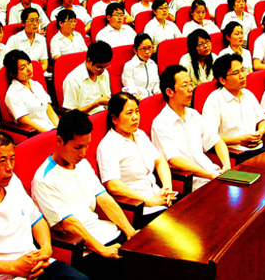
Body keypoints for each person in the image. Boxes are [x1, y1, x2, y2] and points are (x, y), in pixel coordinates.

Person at [0, 132, 90, 280]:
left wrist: (46, 249)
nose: (9, 167)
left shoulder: (13, 182)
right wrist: (13, 266)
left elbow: (37, 220)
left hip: (38, 266)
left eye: (12, 159)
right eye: (1, 161)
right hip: (6, 275)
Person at [32, 112, 136, 278]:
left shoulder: (83, 164)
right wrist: (102, 250)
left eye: (87, 146)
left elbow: (104, 199)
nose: (83, 153)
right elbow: (69, 224)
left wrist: (129, 231)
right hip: (85, 248)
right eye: (77, 147)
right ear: (59, 141)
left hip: (107, 233)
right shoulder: (44, 179)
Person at [98, 93, 177, 228]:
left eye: (137, 111)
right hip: (140, 209)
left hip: (160, 197)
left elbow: (160, 161)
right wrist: (149, 201)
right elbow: (113, 185)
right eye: (129, 113)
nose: (135, 117)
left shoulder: (139, 134)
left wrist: (167, 188)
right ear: (114, 119)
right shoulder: (108, 146)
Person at [151, 65, 230, 189]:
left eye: (191, 84)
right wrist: (209, 175)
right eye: (184, 85)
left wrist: (226, 165)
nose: (191, 89)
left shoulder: (193, 114)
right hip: (192, 182)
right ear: (169, 92)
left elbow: (216, 141)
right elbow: (174, 160)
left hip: (213, 174)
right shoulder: (161, 123)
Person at [202, 53, 265, 156]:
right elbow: (209, 137)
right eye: (236, 73)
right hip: (235, 153)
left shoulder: (247, 94)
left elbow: (263, 120)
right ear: (222, 80)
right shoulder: (214, 101)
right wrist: (239, 140)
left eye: (243, 70)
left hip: (257, 148)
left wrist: (260, 132)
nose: (242, 76)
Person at [2, 51, 57, 133]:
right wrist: (50, 134)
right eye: (23, 68)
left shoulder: (36, 85)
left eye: (29, 63)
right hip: (36, 134)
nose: (29, 69)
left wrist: (61, 132)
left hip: (52, 129)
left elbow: (50, 111)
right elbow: (26, 121)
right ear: (13, 74)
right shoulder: (13, 94)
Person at [63, 41, 113, 116]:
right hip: (84, 118)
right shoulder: (73, 80)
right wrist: (95, 104)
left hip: (104, 113)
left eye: (105, 67)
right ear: (89, 61)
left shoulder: (104, 73)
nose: (102, 70)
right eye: (99, 67)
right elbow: (70, 114)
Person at [120, 34, 158, 101]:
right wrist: (142, 101)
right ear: (135, 50)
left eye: (149, 48)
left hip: (152, 99)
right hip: (137, 100)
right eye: (143, 49)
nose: (147, 52)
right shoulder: (129, 66)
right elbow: (130, 89)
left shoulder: (153, 64)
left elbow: (156, 84)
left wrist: (158, 96)